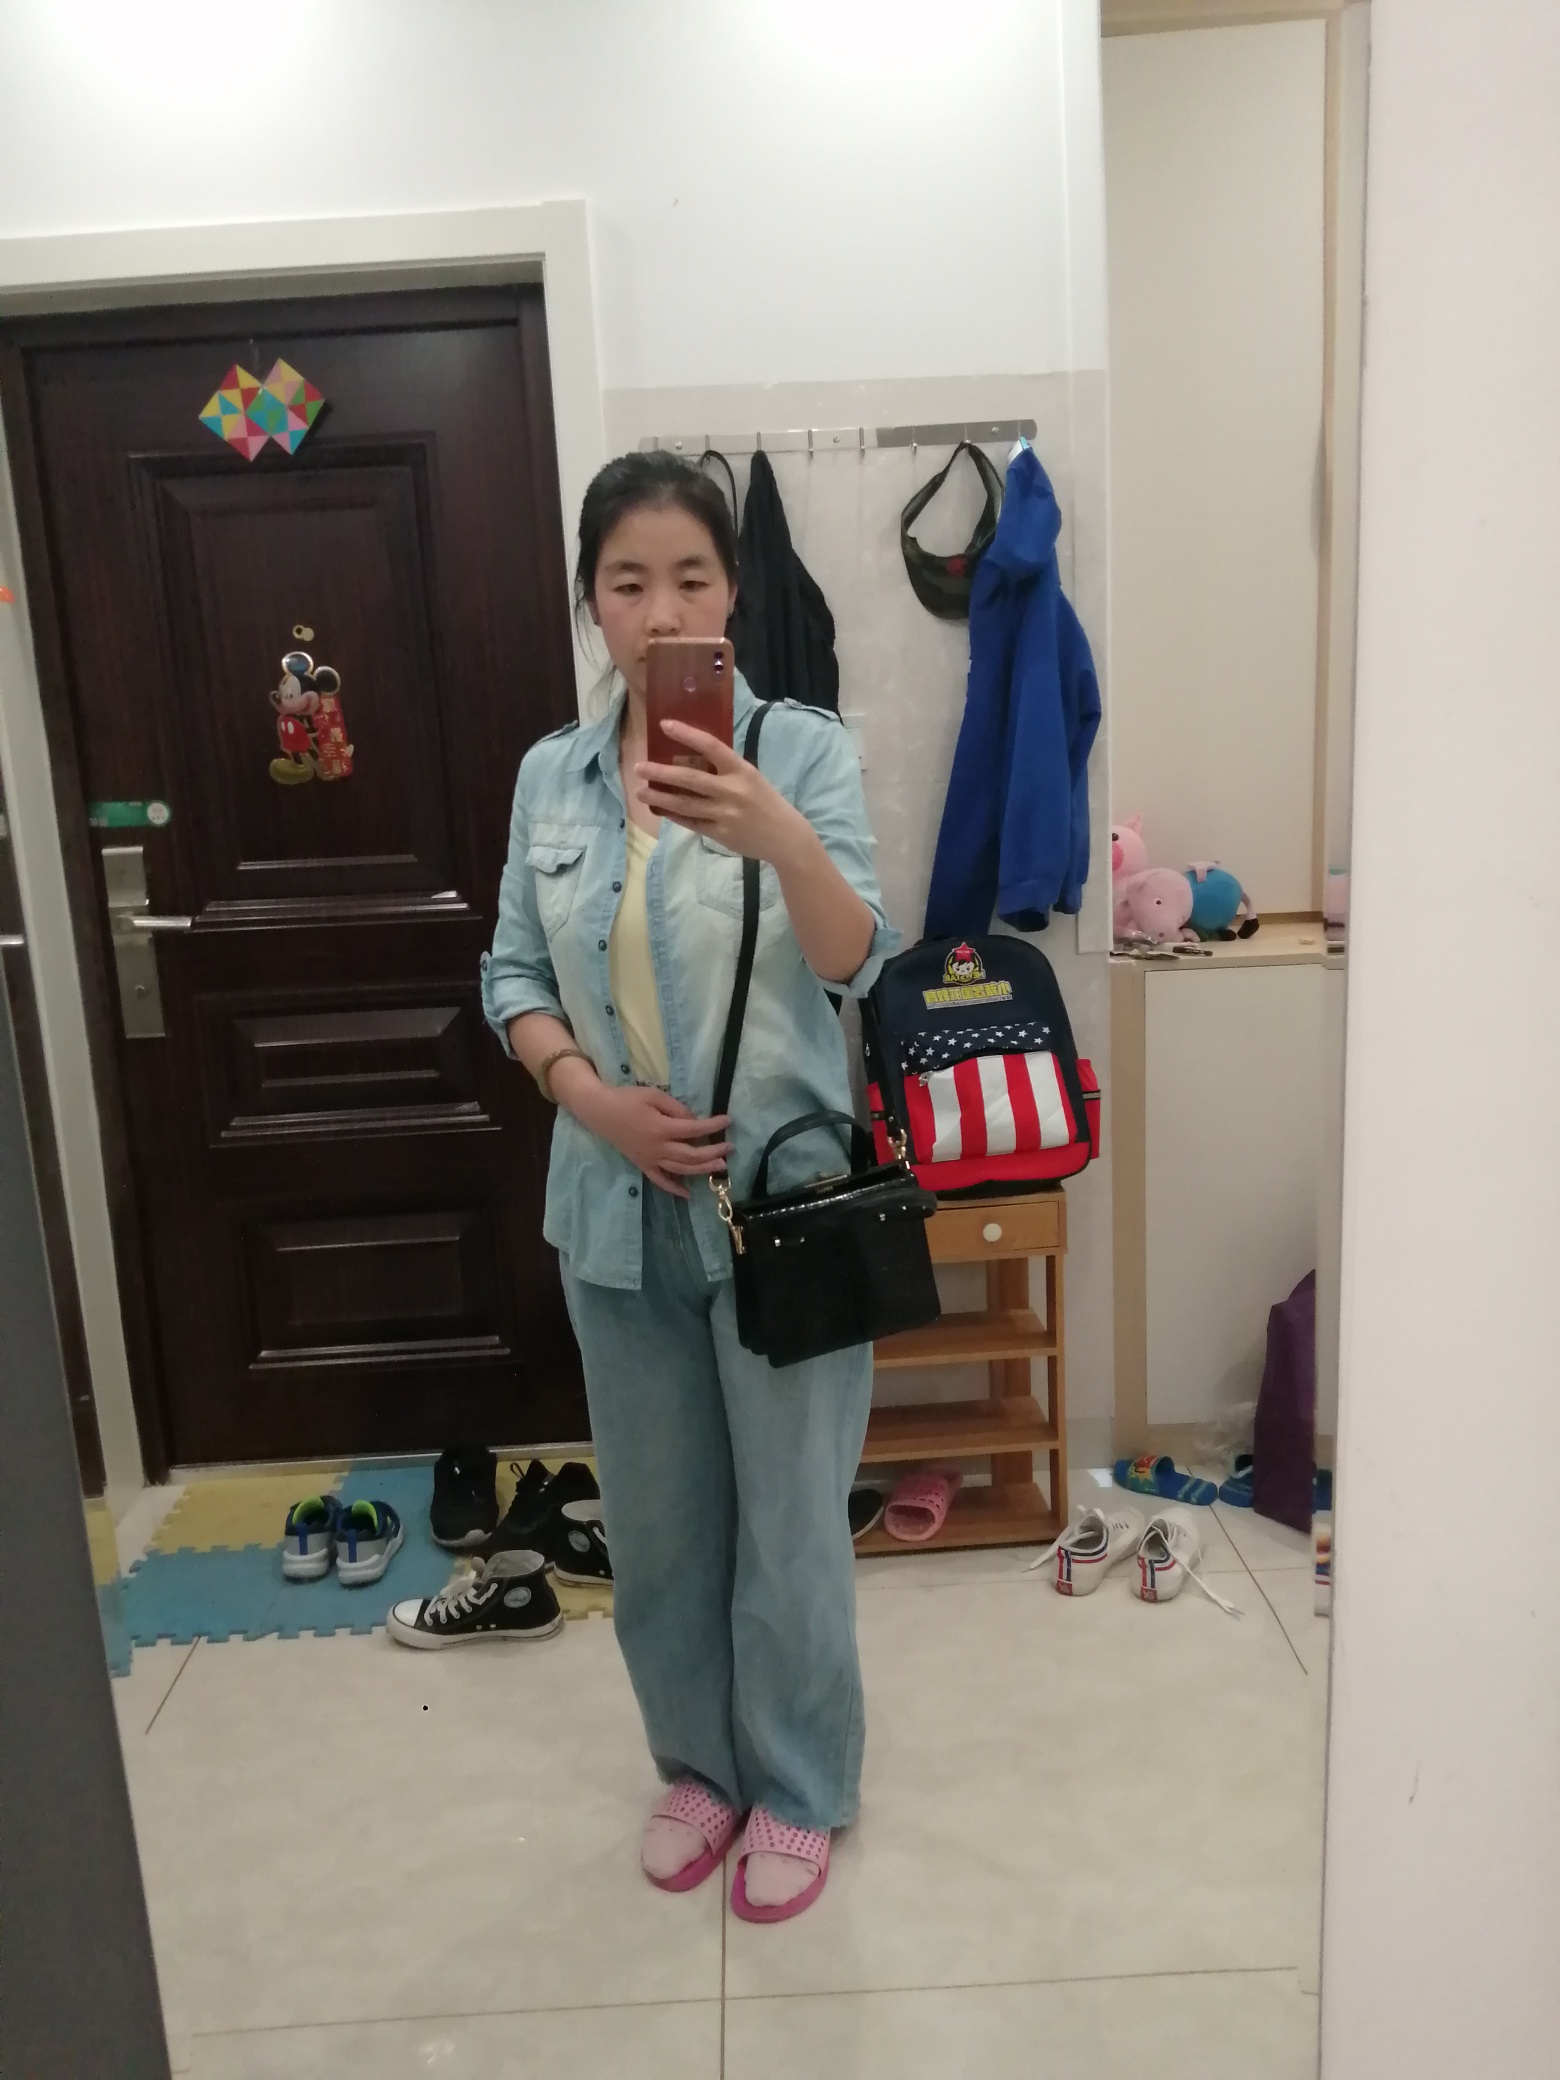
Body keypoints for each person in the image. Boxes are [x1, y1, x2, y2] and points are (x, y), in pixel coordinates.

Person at [482, 451, 897, 1923]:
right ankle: (700, 1769)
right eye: (628, 582)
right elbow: (513, 974)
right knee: (659, 1530)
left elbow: (859, 960)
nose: (661, 611)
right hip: (612, 1211)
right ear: (592, 604)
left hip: (782, 1205)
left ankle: (799, 1785)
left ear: (733, 594)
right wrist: (593, 1102)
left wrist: (774, 833)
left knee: (791, 1524)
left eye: (691, 578)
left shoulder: (802, 750)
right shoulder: (551, 775)